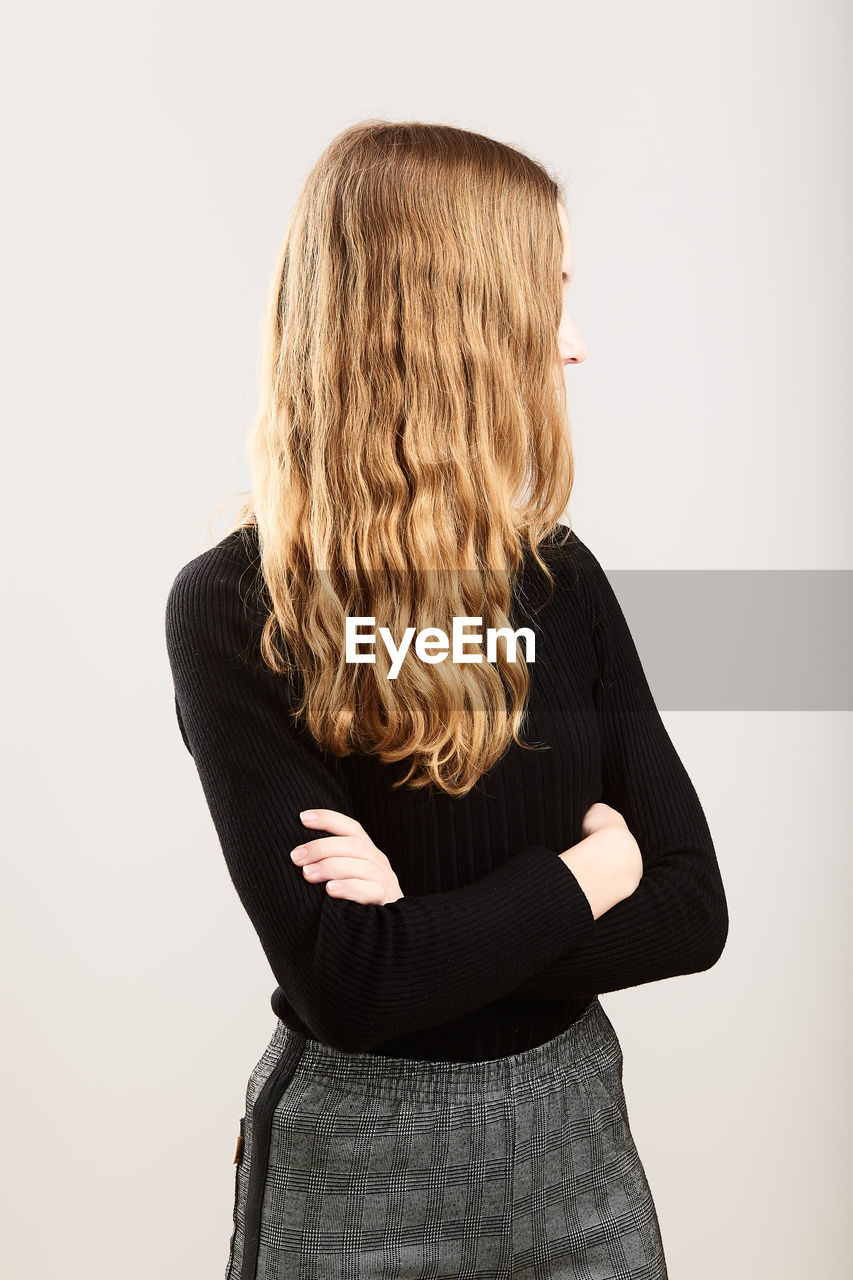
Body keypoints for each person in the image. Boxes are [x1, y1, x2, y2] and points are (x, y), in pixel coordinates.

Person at [165, 119, 729, 1280]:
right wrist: (582, 877)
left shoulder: (560, 580)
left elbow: (690, 907)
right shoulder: (234, 608)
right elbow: (351, 984)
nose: (573, 345)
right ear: (456, 324)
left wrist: (420, 925)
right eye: (548, 299)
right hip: (355, 1171)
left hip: (581, 1156)